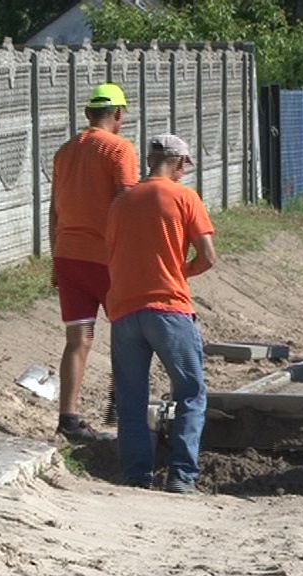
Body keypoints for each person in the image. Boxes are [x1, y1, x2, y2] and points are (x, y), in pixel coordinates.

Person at [105, 134, 217, 492]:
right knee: (190, 392)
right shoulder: (185, 197)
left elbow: (115, 252)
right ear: (180, 163)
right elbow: (208, 256)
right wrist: (180, 271)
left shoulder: (121, 203)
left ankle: (137, 475)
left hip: (123, 310)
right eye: (186, 166)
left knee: (131, 397)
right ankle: (182, 477)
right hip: (169, 309)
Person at [50, 82, 139, 442]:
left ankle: (68, 419)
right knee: (127, 335)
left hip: (69, 255)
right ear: (119, 114)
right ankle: (121, 410)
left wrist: (55, 259)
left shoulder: (64, 151)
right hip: (108, 258)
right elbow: (127, 204)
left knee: (78, 339)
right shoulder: (120, 149)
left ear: (88, 114)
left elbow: (54, 211)